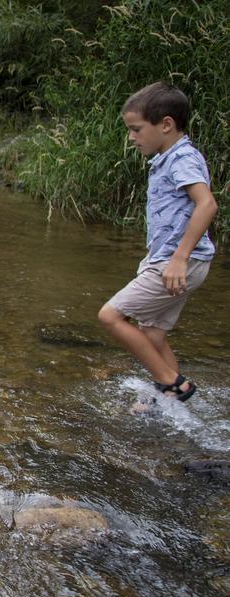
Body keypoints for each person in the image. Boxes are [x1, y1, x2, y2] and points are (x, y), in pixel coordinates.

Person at [97, 82, 217, 404]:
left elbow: (207, 205)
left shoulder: (182, 159)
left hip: (178, 263)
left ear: (165, 125)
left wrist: (179, 258)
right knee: (152, 334)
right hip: (171, 261)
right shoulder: (168, 159)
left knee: (110, 316)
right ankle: (169, 400)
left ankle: (171, 382)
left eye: (136, 130)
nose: (132, 138)